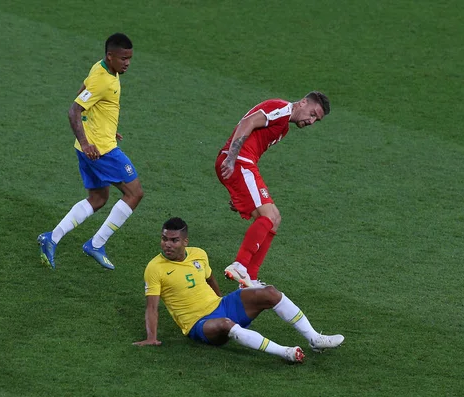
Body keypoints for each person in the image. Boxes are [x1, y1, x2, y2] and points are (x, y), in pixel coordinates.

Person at [133, 217, 344, 363]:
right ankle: (285, 352)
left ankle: (315, 338)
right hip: (199, 325)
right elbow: (152, 307)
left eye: (173, 240)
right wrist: (152, 337)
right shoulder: (155, 268)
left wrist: (221, 299)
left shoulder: (199, 254)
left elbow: (209, 278)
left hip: (221, 306)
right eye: (164, 239)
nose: (167, 244)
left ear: (185, 242)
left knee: (269, 292)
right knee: (226, 324)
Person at [37, 33, 144, 270]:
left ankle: (51, 238)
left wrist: (106, 126)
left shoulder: (101, 68)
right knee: (134, 193)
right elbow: (74, 110)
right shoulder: (103, 80)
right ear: (110, 56)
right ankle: (96, 244)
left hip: (92, 146)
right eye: (123, 58)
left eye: (130, 58)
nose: (127, 63)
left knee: (98, 198)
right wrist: (87, 142)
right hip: (101, 151)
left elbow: (84, 95)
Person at [216, 92, 331, 287]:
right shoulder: (281, 108)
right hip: (240, 162)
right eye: (312, 114)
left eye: (315, 120)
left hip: (244, 165)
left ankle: (249, 278)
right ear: (303, 102)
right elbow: (247, 123)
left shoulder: (284, 127)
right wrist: (232, 157)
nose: (311, 121)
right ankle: (239, 265)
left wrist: (240, 193)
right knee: (268, 216)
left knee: (275, 219)